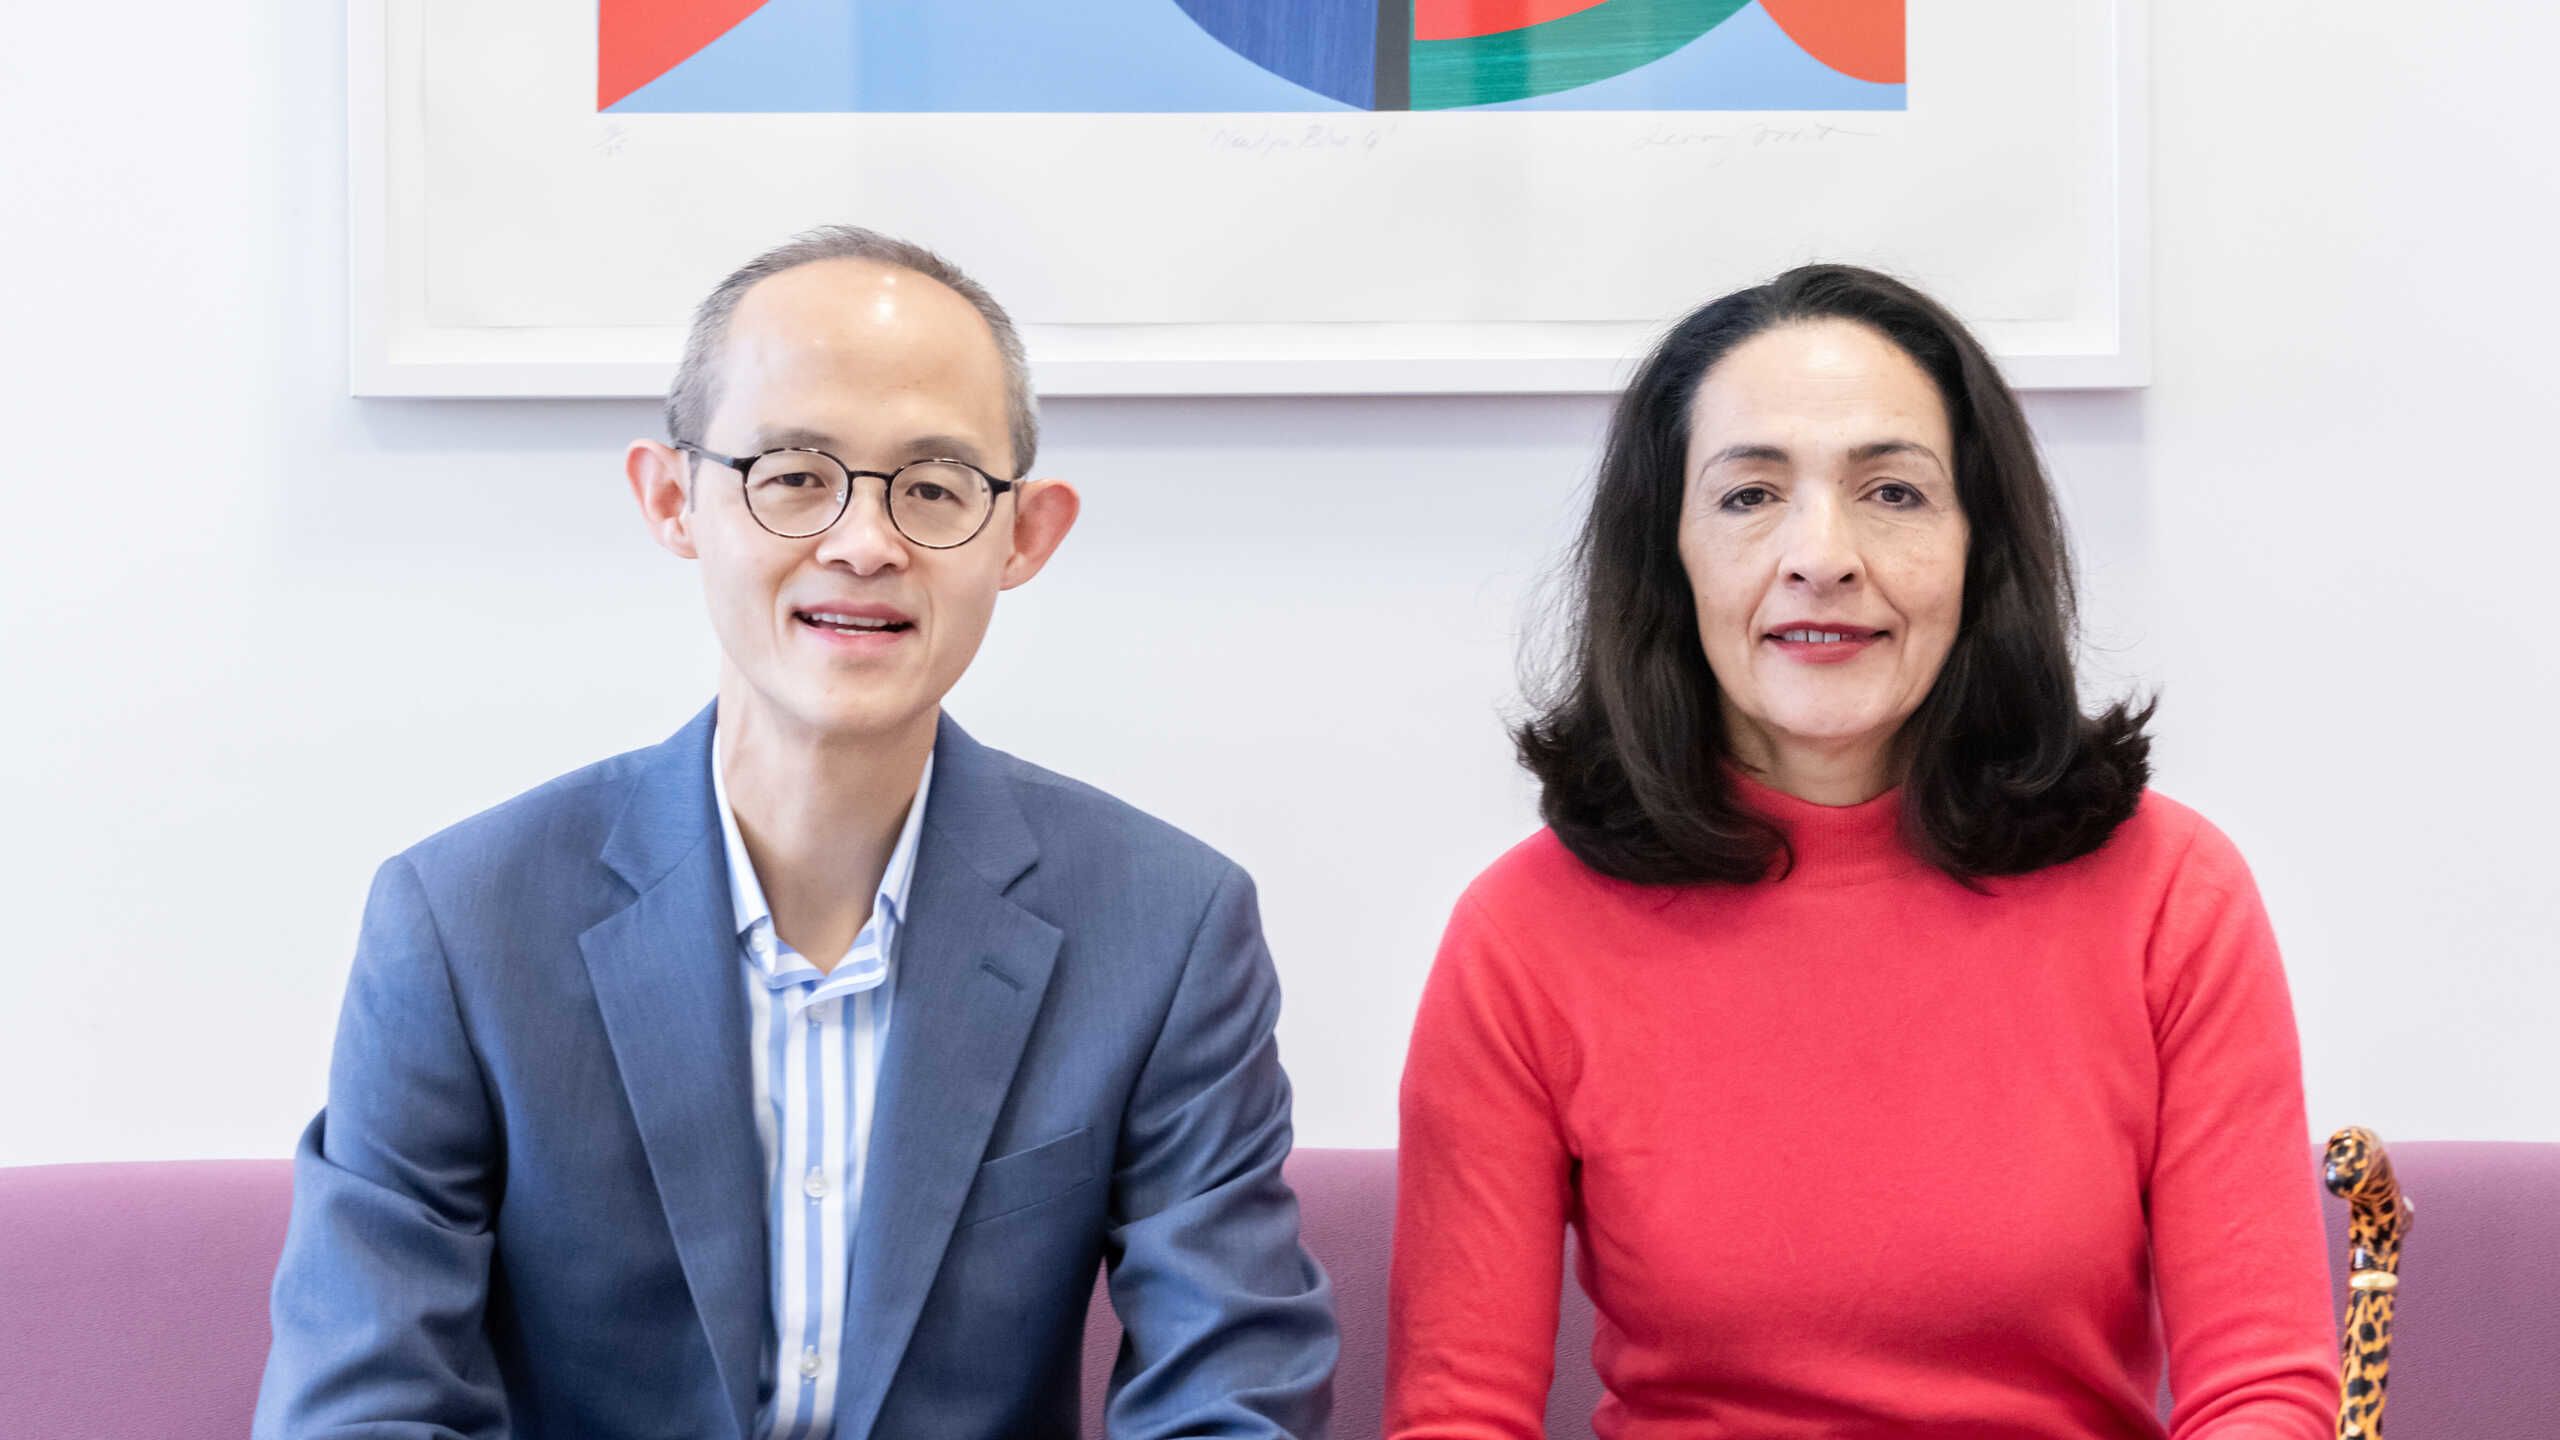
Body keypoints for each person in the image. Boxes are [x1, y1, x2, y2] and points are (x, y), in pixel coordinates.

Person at [255, 226, 1336, 1439]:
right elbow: (361, 1407)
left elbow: (1233, 1393)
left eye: (933, 487)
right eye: (793, 474)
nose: (864, 543)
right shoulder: (460, 922)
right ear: (673, 501)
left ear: (1024, 536)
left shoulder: (1166, 925)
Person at [1386, 265, 2335, 1438]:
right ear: (1666, 555)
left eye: (1892, 492)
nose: (1820, 555)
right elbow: (1458, 1413)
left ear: (1979, 547)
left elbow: (2261, 1394)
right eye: (1747, 498)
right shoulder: (1522, 933)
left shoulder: (2170, 894)